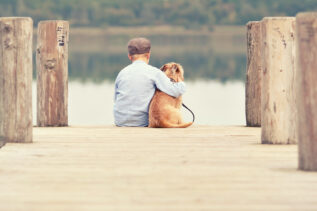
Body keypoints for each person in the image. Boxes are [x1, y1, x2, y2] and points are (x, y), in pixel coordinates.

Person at [113, 37, 186, 127]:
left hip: (120, 121)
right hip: (142, 122)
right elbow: (175, 91)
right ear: (148, 55)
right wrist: (180, 82)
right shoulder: (154, 72)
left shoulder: (122, 73)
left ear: (129, 56)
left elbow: (116, 99)